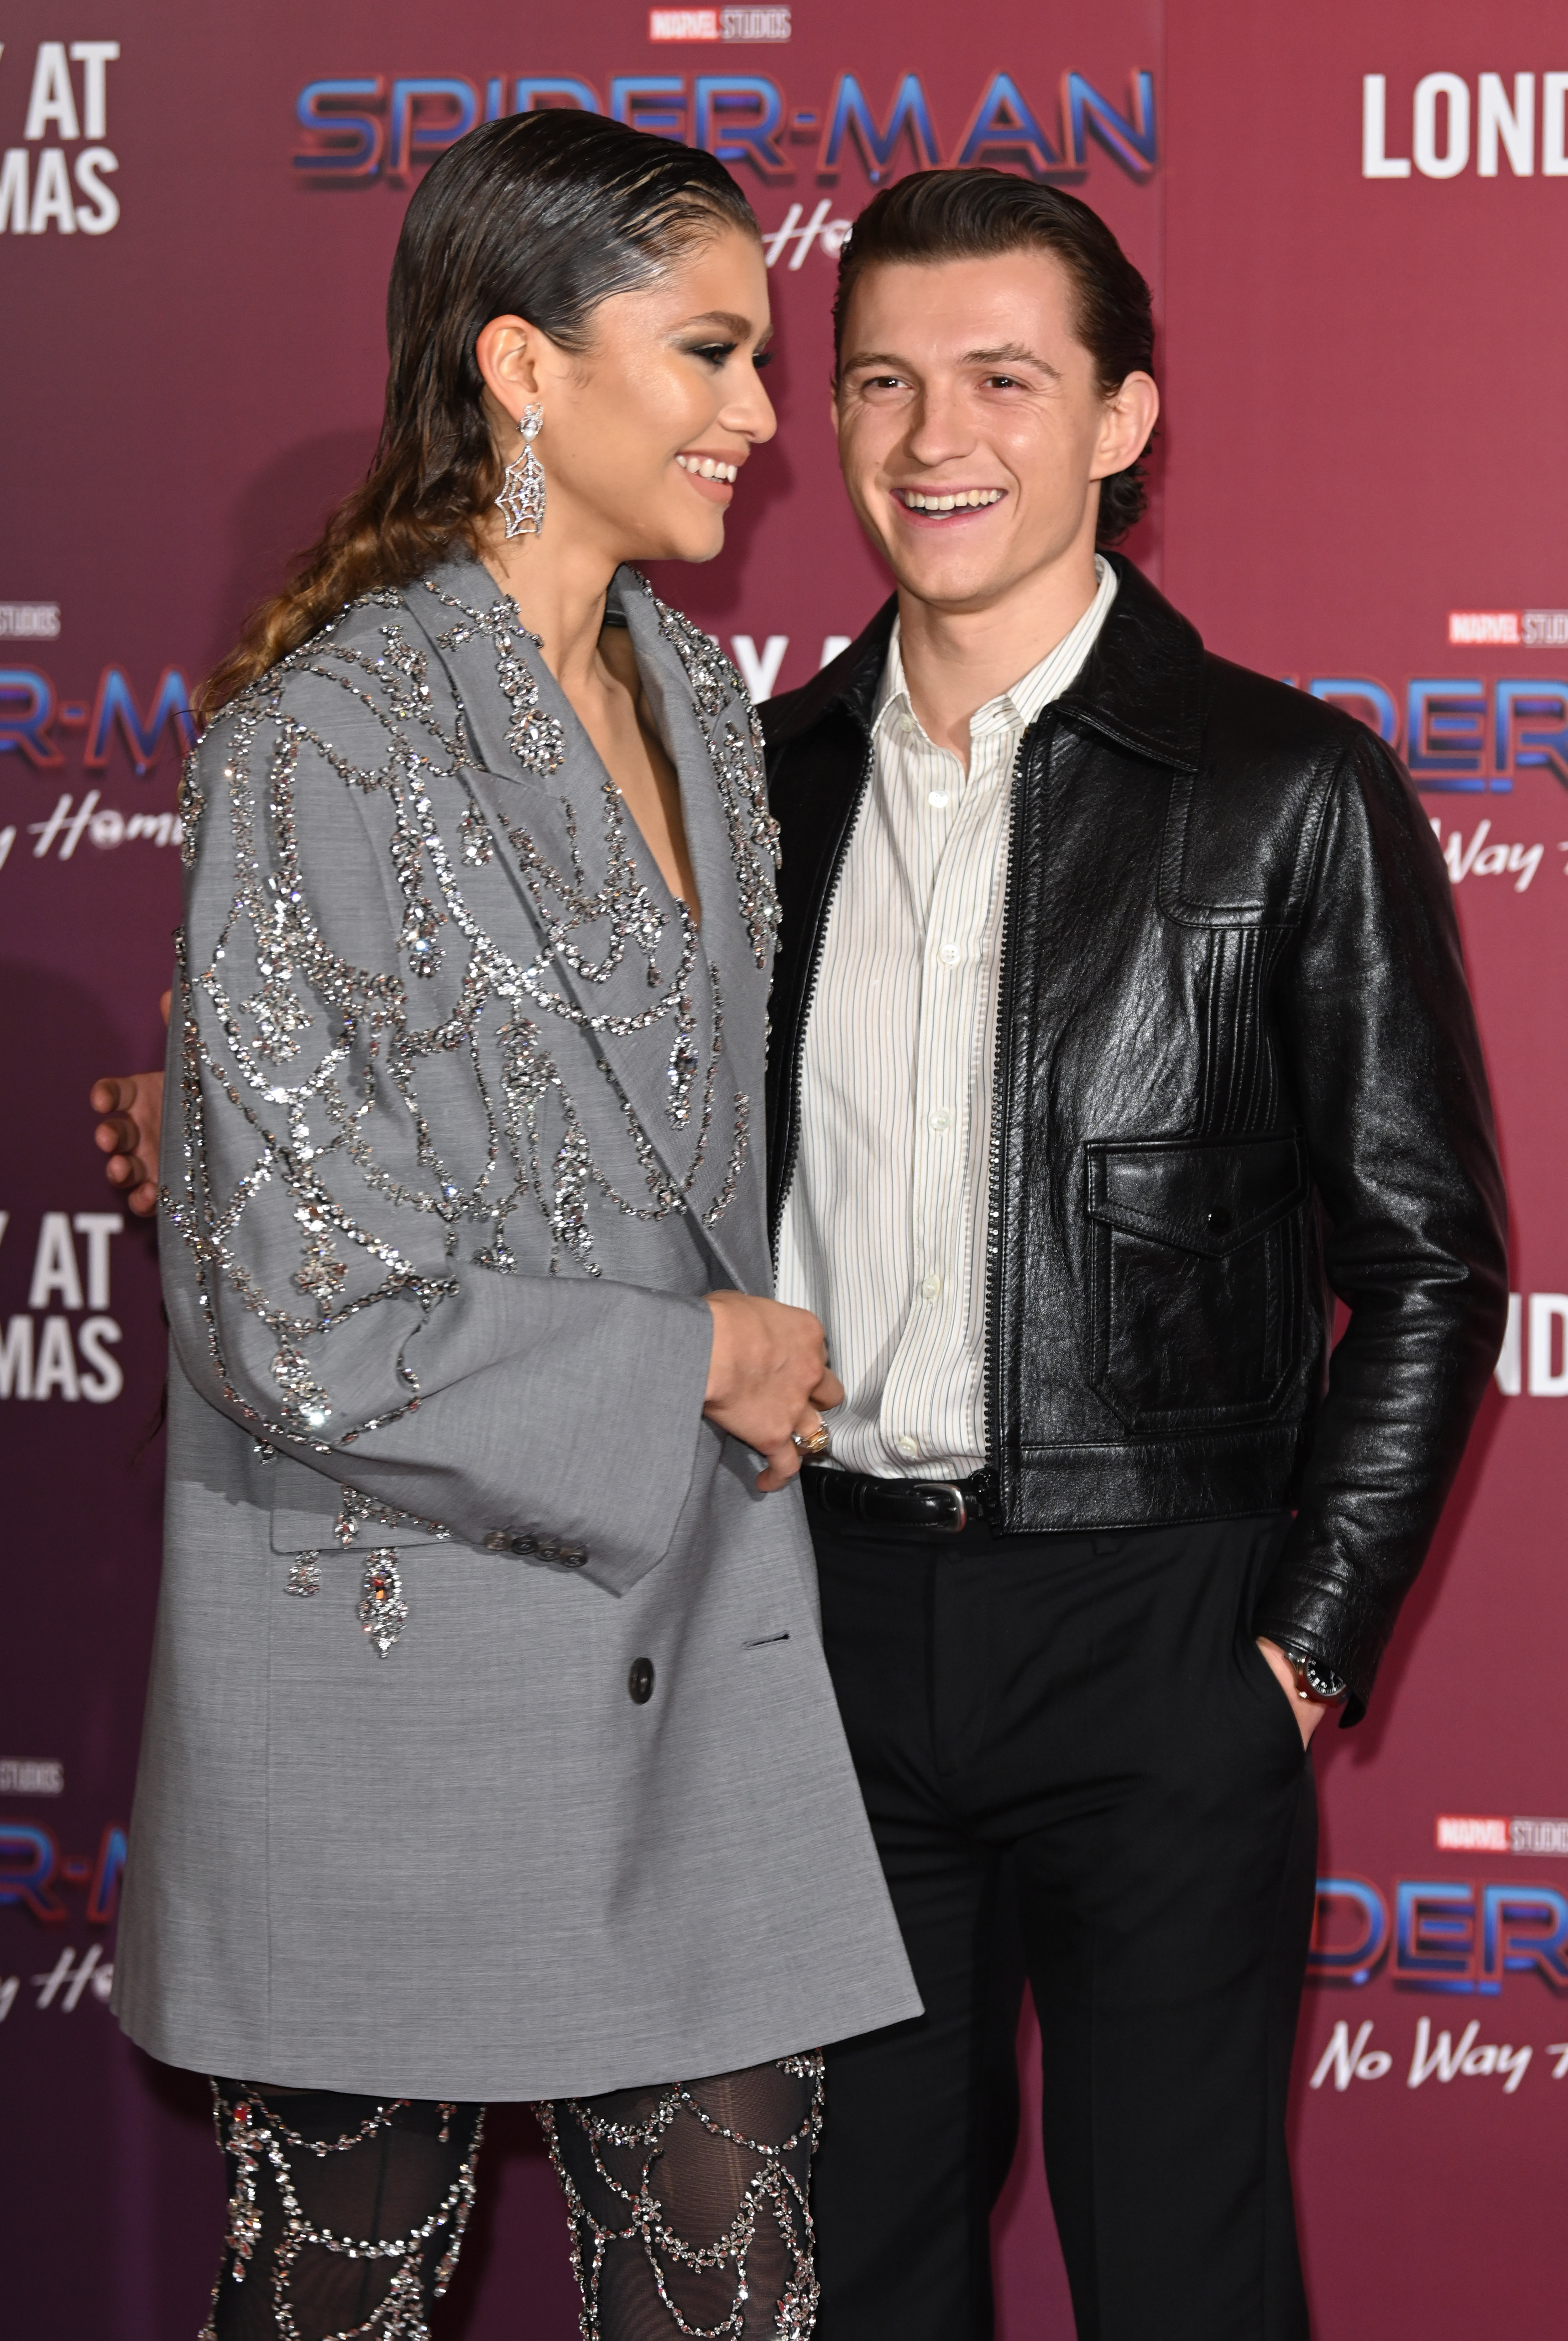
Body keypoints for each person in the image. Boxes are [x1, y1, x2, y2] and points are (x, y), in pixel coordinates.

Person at [107, 110, 918, 2341]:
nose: (766, 418)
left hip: (695, 1638)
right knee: (338, 2295)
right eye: (711, 351)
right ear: (522, 364)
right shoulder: (323, 740)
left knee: (729, 2286)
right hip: (401, 1663)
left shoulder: (703, 708)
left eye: (766, 360)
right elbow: (294, 1306)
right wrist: (703, 1357)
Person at [759, 171, 1507, 2339]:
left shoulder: (1289, 786)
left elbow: (1430, 1254)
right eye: (881, 381)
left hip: (1163, 1627)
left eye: (1003, 379)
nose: (933, 439)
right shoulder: (758, 789)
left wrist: (1295, 1650)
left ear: (1121, 420)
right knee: (854, 2277)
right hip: (823, 1627)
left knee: (1183, 2273)